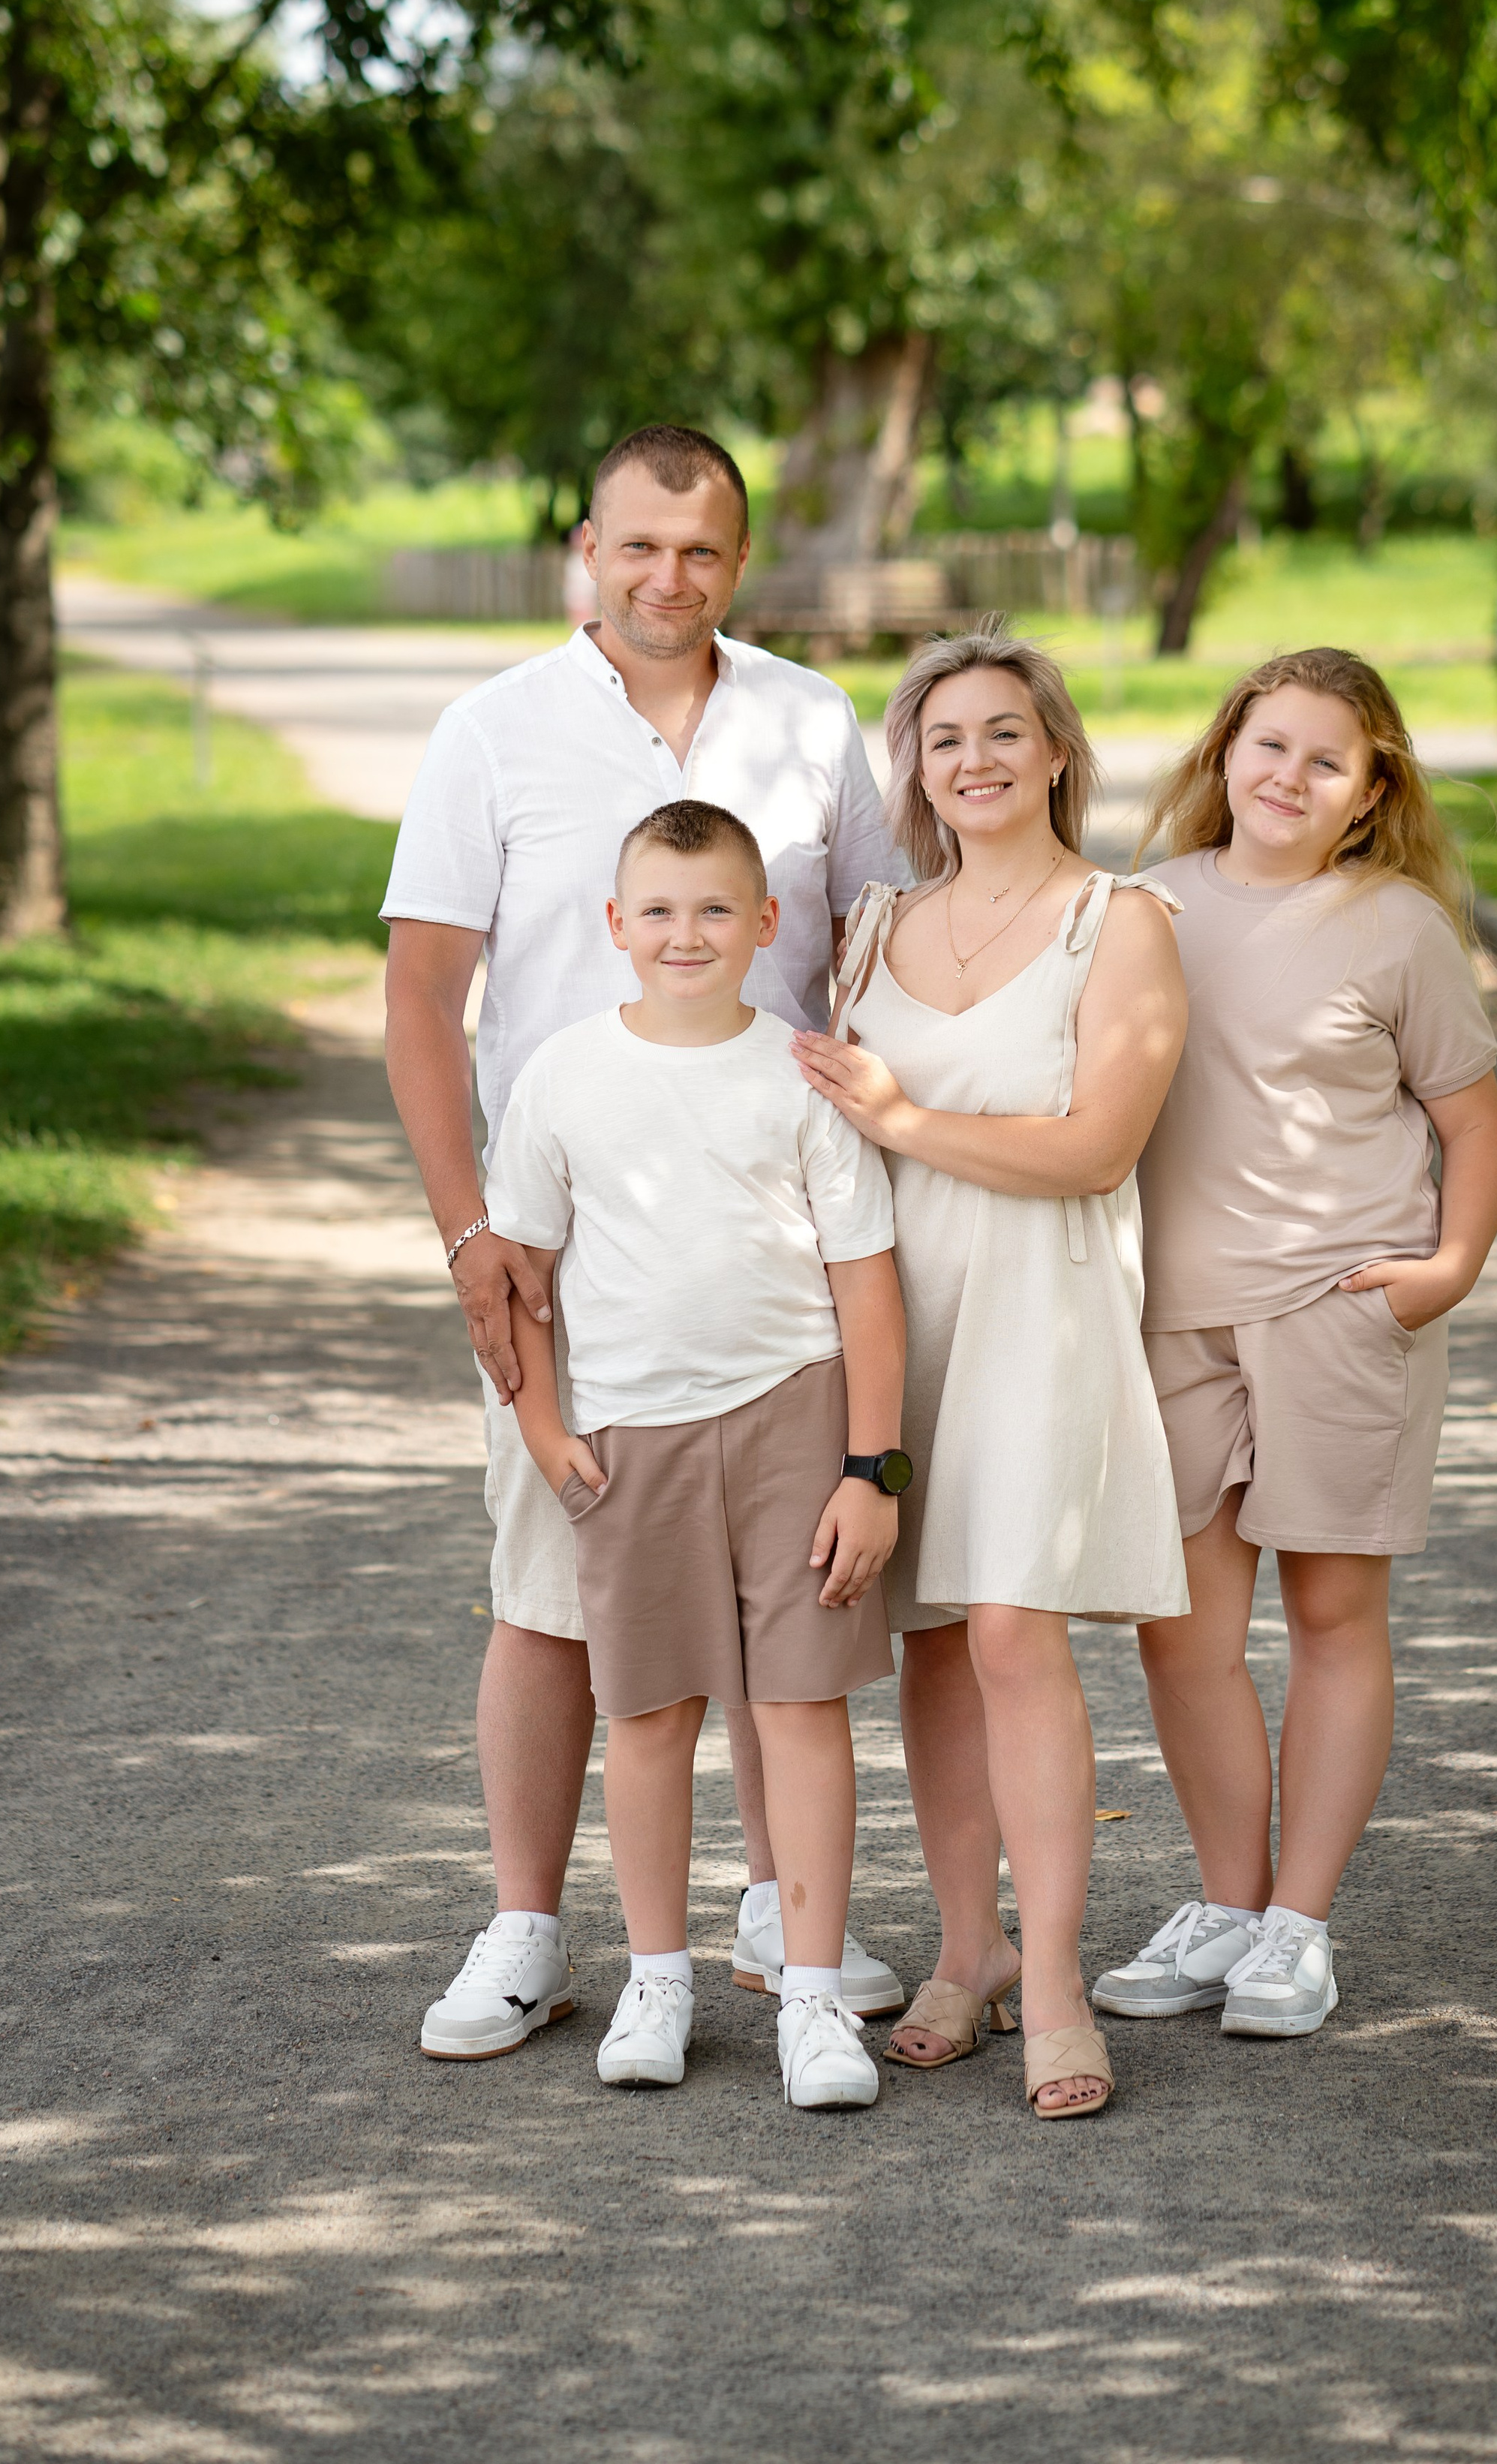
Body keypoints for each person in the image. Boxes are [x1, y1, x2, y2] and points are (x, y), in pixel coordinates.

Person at [382, 423, 908, 2064]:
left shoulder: (810, 721)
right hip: (568, 1253)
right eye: (637, 546)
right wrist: (471, 1230)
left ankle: (775, 1908)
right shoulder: (494, 732)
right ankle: (529, 1929)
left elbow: (876, 953)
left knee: (774, 1611)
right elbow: (421, 999)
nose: (667, 577)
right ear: (587, 552)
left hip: (772, 1258)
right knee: (554, 1595)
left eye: (699, 550)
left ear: (736, 561)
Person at [792, 631, 1190, 2120]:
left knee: (1016, 1626)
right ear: (917, 769)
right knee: (935, 1642)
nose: (975, 759)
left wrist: (904, 1120)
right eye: (944, 737)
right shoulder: (871, 928)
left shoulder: (1118, 922)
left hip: (1042, 1307)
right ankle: (969, 1950)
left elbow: (1095, 1149)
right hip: (899, 1315)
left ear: (1056, 752)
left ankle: (1059, 1977)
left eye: (1004, 730)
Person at [1093, 648, 1497, 2039]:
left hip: (1341, 1310)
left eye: (1328, 761)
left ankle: (1299, 1927)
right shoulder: (1145, 906)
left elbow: (1475, 1127)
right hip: (1174, 1319)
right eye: (1269, 745)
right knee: (1182, 1637)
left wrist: (1441, 1274)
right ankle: (1229, 1905)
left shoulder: (1397, 927)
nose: (1289, 777)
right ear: (1226, 750)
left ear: (1371, 790)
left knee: (1333, 1618)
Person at [488, 799, 906, 2108]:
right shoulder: (563, 1075)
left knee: (800, 1710)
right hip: (632, 1439)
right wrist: (544, 1430)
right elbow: (525, 1275)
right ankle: (656, 1978)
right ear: (616, 925)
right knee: (650, 1717)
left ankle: (813, 1996)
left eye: (718, 909)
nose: (688, 934)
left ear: (766, 923)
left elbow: (868, 1285)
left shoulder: (802, 1074)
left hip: (797, 1423)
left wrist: (872, 1471)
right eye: (660, 911)